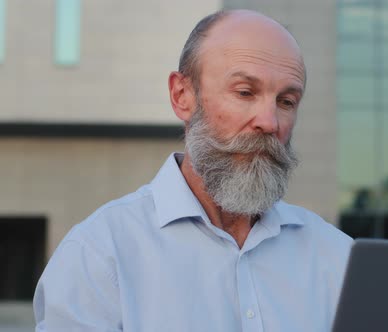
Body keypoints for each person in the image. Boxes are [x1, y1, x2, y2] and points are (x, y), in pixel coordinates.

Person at [33, 9, 353, 332]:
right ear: (182, 96)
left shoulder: (340, 260)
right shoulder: (99, 257)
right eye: (245, 92)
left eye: (286, 101)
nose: (270, 122)